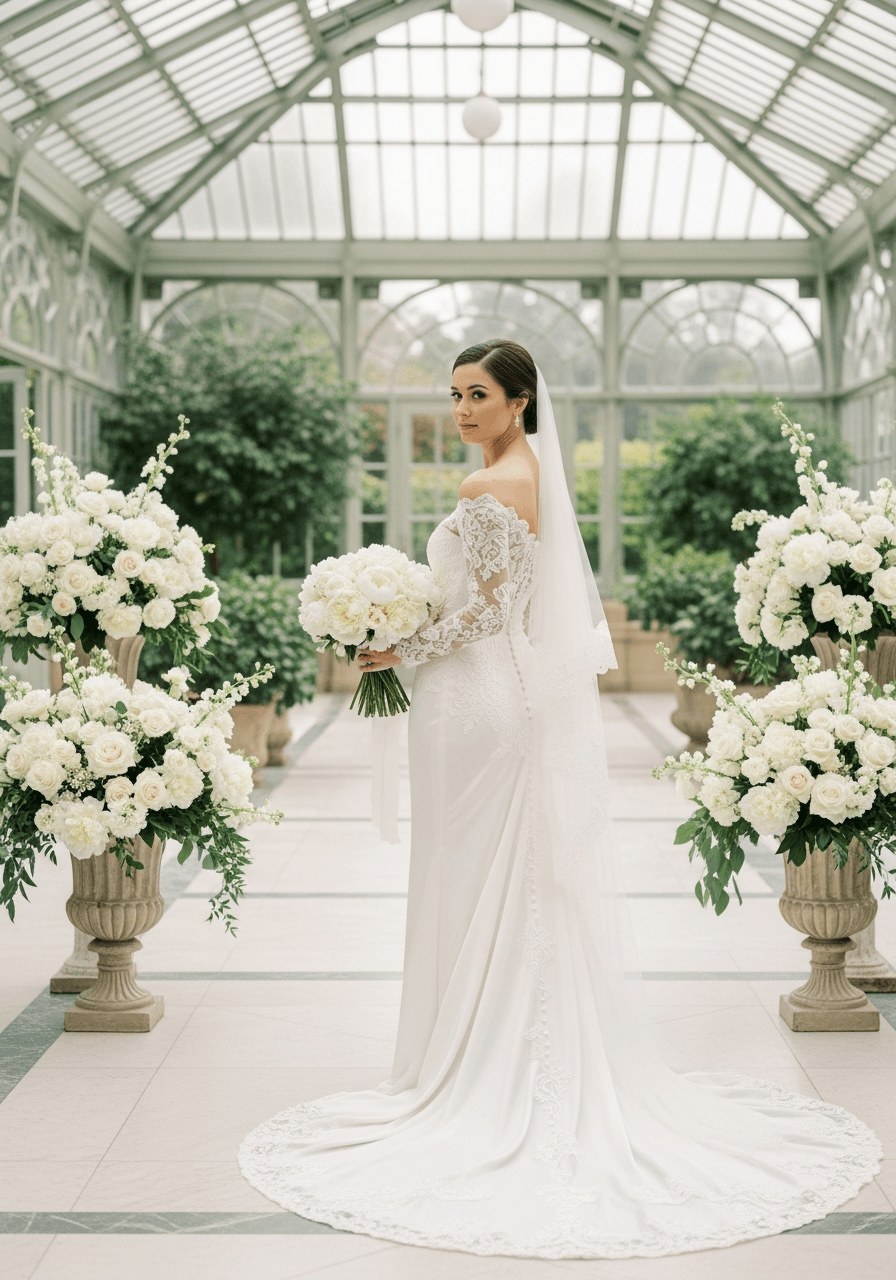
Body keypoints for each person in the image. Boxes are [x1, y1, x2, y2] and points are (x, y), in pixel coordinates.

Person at [239, 339, 880, 1259]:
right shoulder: (528, 471)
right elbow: (510, 605)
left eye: (479, 395)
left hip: (476, 697)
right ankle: (502, 1045)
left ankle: (478, 1062)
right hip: (502, 697)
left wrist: (394, 646)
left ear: (520, 399)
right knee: (511, 874)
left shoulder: (486, 490)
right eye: (454, 394)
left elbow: (490, 612)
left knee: (483, 875)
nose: (461, 409)